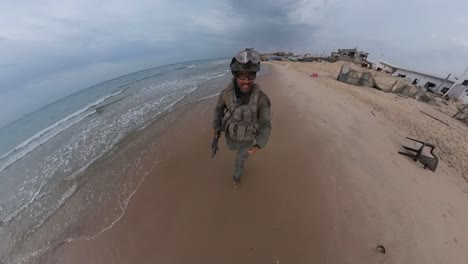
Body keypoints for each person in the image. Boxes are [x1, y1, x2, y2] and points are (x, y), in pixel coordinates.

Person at [212, 48, 272, 189]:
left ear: (255, 76)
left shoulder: (262, 99)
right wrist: (216, 128)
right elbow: (218, 109)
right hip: (230, 139)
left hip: (247, 142)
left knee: (240, 162)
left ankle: (236, 177)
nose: (246, 81)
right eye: (241, 76)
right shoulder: (226, 94)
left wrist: (259, 144)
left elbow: (266, 124)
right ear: (235, 76)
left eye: (250, 76)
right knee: (232, 149)